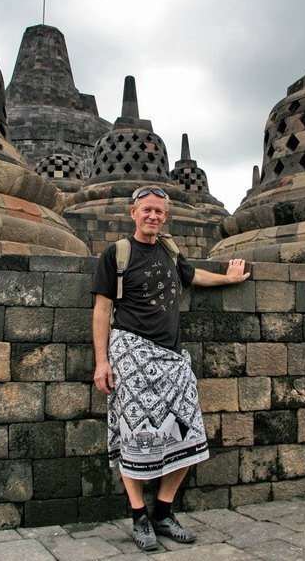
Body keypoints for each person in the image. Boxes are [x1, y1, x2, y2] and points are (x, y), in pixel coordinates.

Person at [91, 185, 250, 551]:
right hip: (131, 354)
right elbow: (102, 309)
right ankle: (139, 516)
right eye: (147, 209)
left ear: (165, 217)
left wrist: (229, 278)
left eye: (159, 211)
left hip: (173, 358)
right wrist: (101, 362)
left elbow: (194, 277)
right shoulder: (117, 253)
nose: (153, 216)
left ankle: (163, 511)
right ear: (133, 213)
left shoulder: (169, 250)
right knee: (133, 435)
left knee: (188, 430)